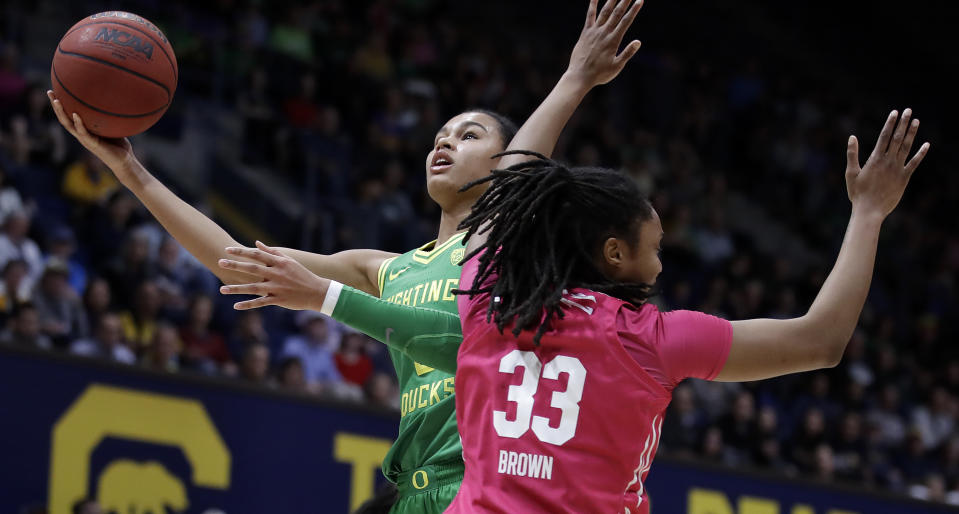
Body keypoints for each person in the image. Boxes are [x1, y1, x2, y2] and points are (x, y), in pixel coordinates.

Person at [48, 1, 645, 511]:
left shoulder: (511, 243)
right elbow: (235, 262)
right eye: (440, 134)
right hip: (413, 489)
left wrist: (575, 80)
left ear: (502, 162)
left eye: (469, 136)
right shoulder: (385, 266)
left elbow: (525, 170)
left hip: (488, 481)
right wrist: (130, 171)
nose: (444, 141)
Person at [227, 109, 928, 512]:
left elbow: (446, 319)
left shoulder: (488, 297)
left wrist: (324, 295)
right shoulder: (656, 337)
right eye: (655, 247)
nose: (662, 265)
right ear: (616, 255)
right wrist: (866, 213)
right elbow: (820, 340)